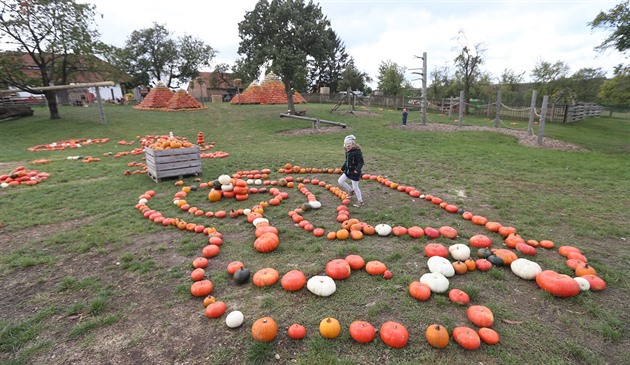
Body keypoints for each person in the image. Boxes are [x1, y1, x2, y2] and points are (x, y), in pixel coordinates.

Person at [338, 135, 364, 207]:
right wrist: (343, 168)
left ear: (353, 145)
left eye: (349, 146)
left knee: (355, 187)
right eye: (346, 145)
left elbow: (361, 162)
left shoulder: (357, 152)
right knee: (340, 181)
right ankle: (350, 190)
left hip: (355, 172)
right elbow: (347, 161)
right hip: (348, 170)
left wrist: (357, 169)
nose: (347, 147)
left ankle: (360, 201)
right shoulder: (347, 151)